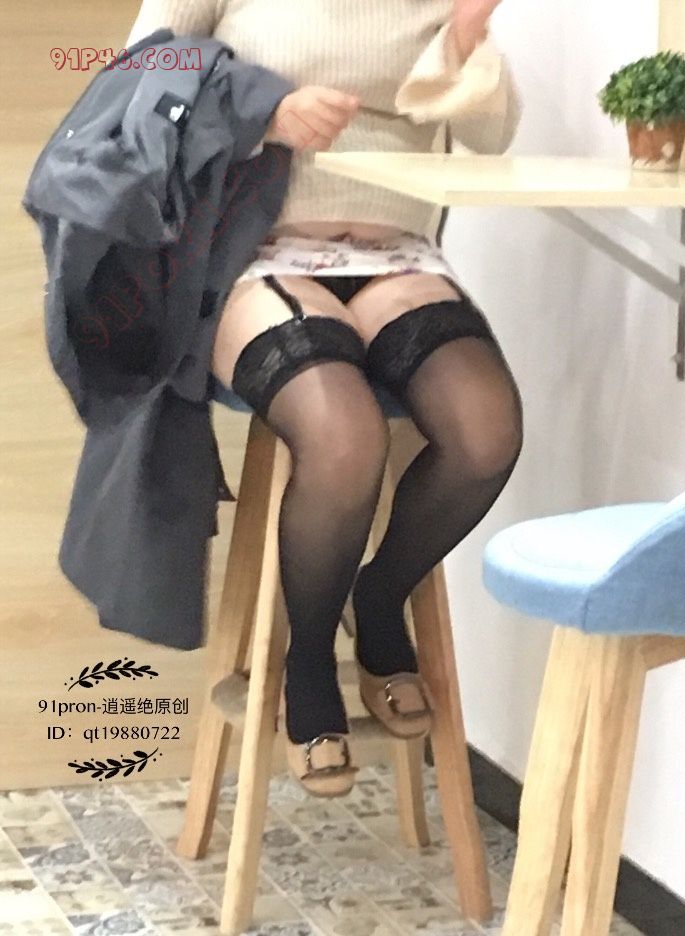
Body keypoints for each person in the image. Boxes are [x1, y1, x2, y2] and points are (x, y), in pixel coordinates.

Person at [126, 0, 524, 797]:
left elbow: (492, 137)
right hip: (254, 255)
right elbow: (136, 83)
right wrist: (258, 110)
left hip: (395, 258)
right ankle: (306, 657)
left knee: (487, 434)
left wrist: (467, 43)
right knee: (345, 438)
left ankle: (377, 598)